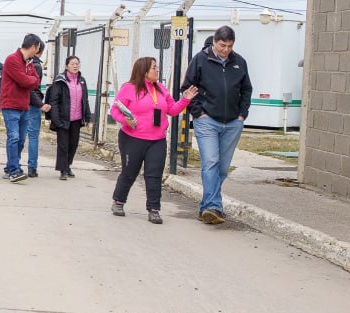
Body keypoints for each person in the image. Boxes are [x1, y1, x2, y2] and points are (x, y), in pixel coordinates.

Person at [109, 56, 199, 223]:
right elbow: (115, 110)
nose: (157, 70)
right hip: (132, 138)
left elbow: (172, 110)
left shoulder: (162, 89)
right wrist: (125, 120)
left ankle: (154, 209)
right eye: (154, 68)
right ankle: (119, 201)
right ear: (144, 71)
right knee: (129, 172)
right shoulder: (129, 88)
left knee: (154, 175)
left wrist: (185, 99)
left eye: (157, 68)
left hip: (156, 140)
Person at [181, 26, 253, 226]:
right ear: (214, 42)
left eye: (229, 46)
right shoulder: (200, 59)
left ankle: (207, 206)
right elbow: (187, 87)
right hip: (207, 121)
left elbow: (247, 89)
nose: (226, 50)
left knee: (222, 167)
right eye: (222, 45)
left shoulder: (239, 62)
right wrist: (199, 113)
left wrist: (242, 114)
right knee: (211, 162)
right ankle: (214, 206)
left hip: (232, 122)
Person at [0, 34, 42, 182]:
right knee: (14, 137)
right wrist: (29, 80)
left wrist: (30, 80)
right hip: (11, 104)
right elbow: (24, 81)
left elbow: (36, 81)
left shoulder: (29, 63)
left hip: (24, 105)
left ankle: (11, 166)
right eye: (37, 48)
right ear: (33, 47)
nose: (37, 51)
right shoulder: (12, 59)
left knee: (21, 139)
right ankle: (13, 171)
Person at [44, 55, 92, 180]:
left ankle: (68, 165)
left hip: (76, 119)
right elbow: (53, 101)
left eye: (77, 63)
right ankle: (63, 170)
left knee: (73, 144)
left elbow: (85, 100)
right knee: (63, 145)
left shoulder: (82, 81)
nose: (75, 66)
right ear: (66, 66)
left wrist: (87, 118)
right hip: (62, 118)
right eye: (72, 64)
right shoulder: (60, 81)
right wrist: (56, 119)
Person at [24, 42, 46, 177]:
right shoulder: (36, 65)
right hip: (33, 104)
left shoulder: (25, 63)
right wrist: (40, 104)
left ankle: (13, 166)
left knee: (19, 136)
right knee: (32, 136)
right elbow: (33, 88)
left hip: (23, 102)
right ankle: (32, 167)